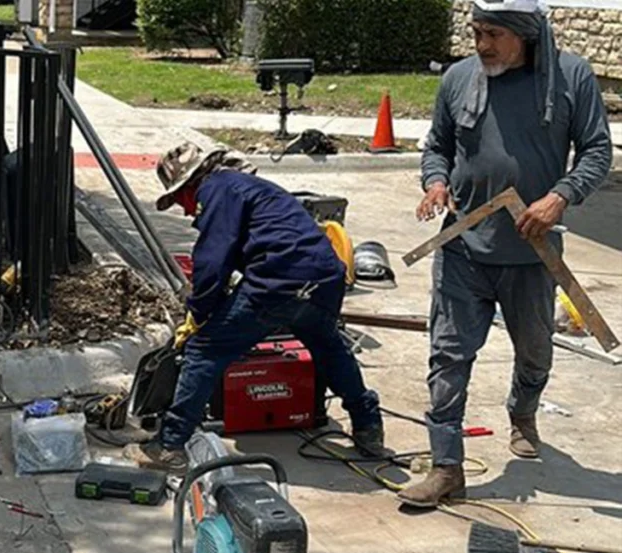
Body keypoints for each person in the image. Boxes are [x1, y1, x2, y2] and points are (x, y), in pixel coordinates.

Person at [398, 0, 612, 507]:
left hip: (532, 253)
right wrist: (434, 182)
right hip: (463, 248)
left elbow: (597, 151)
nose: (482, 45)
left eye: (493, 34)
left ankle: (523, 409)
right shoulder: (458, 78)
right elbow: (439, 147)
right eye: (477, 32)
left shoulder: (570, 77)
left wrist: (560, 196)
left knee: (535, 351)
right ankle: (447, 467)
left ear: (524, 33)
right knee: (448, 356)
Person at [124, 142, 385, 472]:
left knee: (204, 350)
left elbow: (212, 259)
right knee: (328, 347)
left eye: (180, 200)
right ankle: (368, 426)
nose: (187, 211)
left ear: (191, 183)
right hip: (324, 277)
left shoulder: (216, 189)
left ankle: (170, 445)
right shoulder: (250, 187)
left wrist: (200, 312)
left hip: (278, 279)